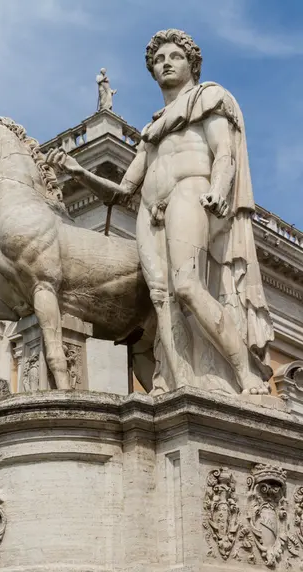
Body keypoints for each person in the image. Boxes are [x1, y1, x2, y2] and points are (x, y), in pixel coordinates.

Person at [47, 29, 273, 395]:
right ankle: (176, 383)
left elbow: (225, 153)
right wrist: (79, 173)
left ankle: (244, 373)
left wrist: (218, 189)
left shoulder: (207, 98)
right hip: (150, 210)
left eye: (174, 57)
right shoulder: (152, 130)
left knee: (186, 286)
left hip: (191, 191)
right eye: (158, 60)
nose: (165, 63)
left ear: (191, 64)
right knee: (161, 300)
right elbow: (122, 192)